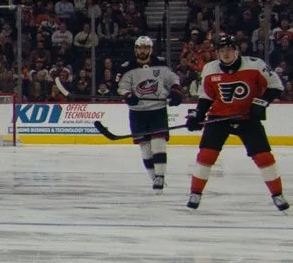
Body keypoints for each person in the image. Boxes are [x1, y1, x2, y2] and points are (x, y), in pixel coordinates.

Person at [184, 33, 286, 210]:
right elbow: (206, 97)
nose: (226, 54)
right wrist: (198, 115)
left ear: (237, 51)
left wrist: (260, 103)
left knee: (264, 157)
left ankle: (278, 195)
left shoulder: (255, 65)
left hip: (248, 119)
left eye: (229, 50)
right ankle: (195, 193)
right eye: (222, 50)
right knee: (206, 156)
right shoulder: (210, 68)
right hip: (219, 118)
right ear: (217, 52)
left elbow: (276, 86)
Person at [115, 34, 182, 192]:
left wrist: (175, 89)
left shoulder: (160, 63)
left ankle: (160, 176)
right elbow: (121, 86)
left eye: (145, 47)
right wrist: (127, 95)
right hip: (137, 112)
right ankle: (154, 178)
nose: (142, 51)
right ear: (135, 49)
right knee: (145, 147)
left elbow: (171, 78)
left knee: (159, 142)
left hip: (157, 110)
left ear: (150, 49)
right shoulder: (127, 67)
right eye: (140, 48)